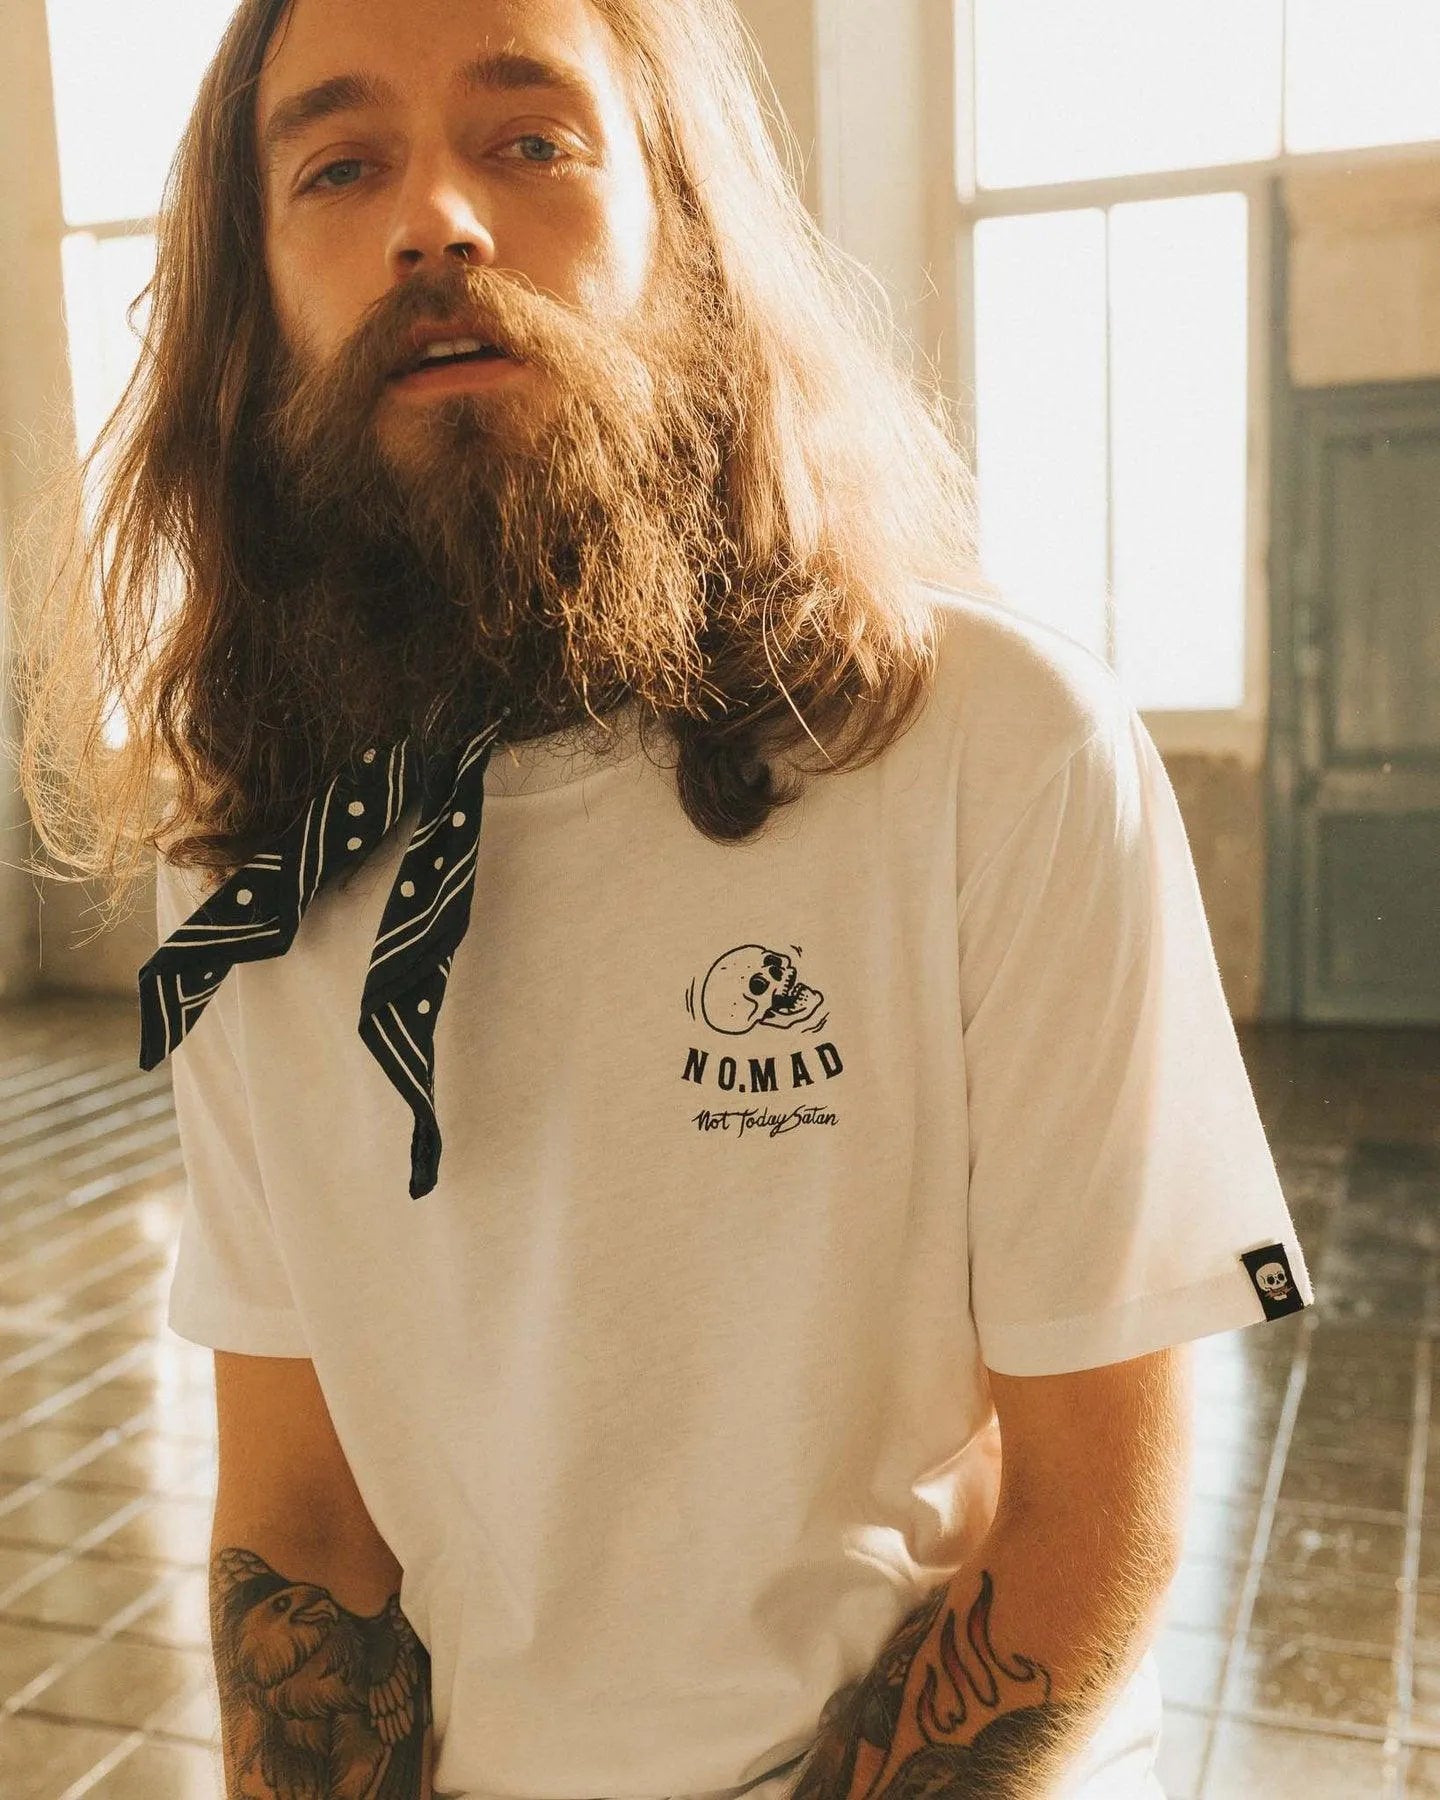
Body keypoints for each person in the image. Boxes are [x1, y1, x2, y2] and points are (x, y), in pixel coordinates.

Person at [12, 0, 1312, 1795]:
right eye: (340, 166)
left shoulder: (993, 748)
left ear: (683, 228)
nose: (435, 222)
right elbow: (305, 1527)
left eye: (530, 141)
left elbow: (1093, 1515)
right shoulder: (251, 867)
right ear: (253, 303)